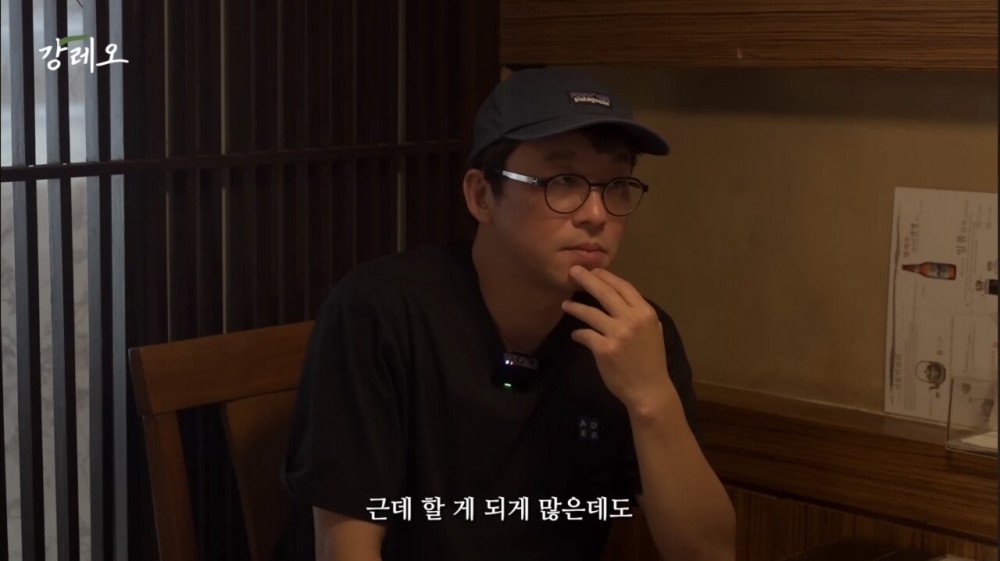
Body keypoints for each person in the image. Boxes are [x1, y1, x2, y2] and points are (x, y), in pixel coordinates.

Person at [279, 67, 736, 560]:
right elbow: (343, 548)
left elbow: (708, 555)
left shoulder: (634, 333)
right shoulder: (380, 312)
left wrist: (651, 399)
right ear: (482, 196)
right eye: (564, 180)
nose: (597, 214)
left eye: (617, 184)